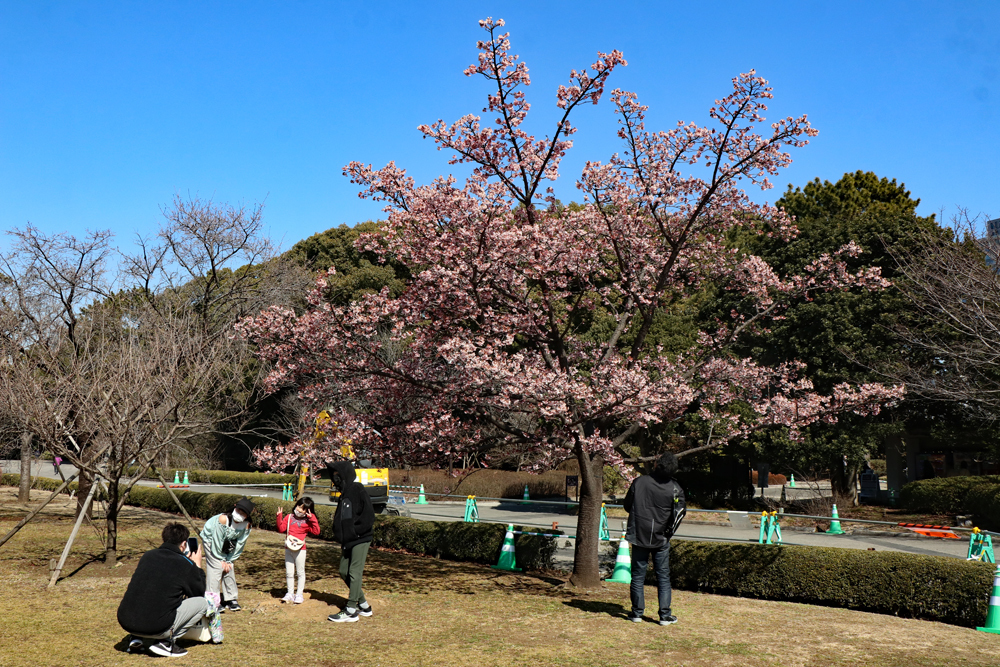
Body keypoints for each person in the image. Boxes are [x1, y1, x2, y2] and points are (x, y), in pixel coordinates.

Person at [117, 522, 208, 658]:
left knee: (147, 593)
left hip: (126, 621)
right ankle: (165, 642)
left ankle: (136, 638)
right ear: (184, 544)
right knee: (202, 603)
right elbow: (198, 592)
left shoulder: (147, 556)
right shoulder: (185, 564)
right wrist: (197, 567)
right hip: (157, 626)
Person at [623, 452, 686, 626]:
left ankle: (636, 613)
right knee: (663, 576)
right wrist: (669, 532)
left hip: (639, 535)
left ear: (657, 465)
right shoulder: (675, 488)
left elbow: (627, 505)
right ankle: (664, 615)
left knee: (637, 575)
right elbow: (680, 513)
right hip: (661, 537)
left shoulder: (639, 482)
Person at [325, 461, 375, 623]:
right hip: (348, 540)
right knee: (343, 571)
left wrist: (356, 532)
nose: (335, 479)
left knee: (354, 572)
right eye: (333, 477)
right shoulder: (343, 494)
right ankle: (364, 605)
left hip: (360, 538)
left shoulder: (356, 489)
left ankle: (351, 610)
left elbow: (368, 515)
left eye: (338, 475)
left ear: (345, 474)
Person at [200, 497, 254, 612]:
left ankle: (231, 598)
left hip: (229, 542)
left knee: (229, 567)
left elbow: (239, 545)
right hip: (211, 540)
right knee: (216, 566)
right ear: (235, 507)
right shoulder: (223, 519)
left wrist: (229, 560)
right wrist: (221, 559)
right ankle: (212, 601)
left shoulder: (247, 525)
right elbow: (217, 541)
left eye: (244, 513)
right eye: (239, 510)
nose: (240, 514)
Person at [276, 496, 321, 604]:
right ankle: (290, 593)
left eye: (303, 509)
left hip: (301, 549)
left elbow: (316, 531)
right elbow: (281, 529)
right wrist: (279, 517)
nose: (299, 510)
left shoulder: (307, 521)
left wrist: (312, 518)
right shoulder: (289, 517)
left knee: (300, 572)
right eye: (298, 506)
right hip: (288, 548)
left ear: (308, 511)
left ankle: (299, 594)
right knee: (289, 572)